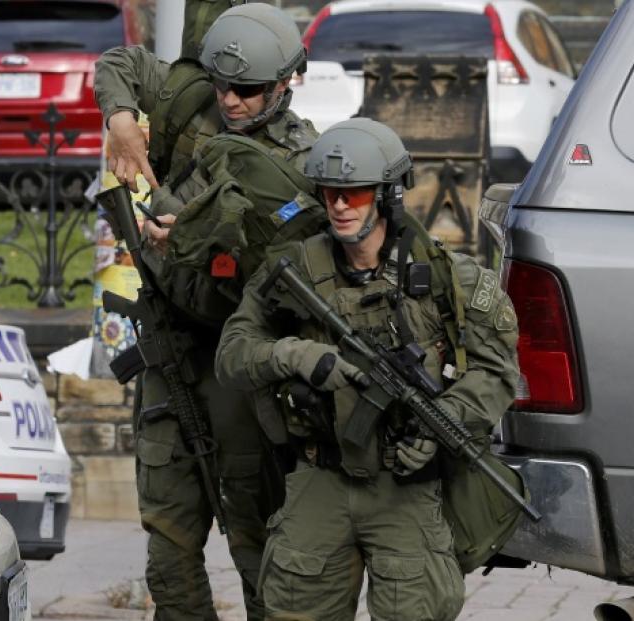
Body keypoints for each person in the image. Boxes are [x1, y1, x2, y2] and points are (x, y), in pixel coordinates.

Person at [216, 118, 521, 621]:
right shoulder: (292, 270)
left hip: (404, 487)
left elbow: (496, 372)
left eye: (354, 193)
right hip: (321, 477)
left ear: (385, 195)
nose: (338, 205)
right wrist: (299, 356)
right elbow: (232, 354)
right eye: (330, 192)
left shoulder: (448, 278)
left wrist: (440, 422)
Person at [93, 4, 325, 620]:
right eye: (223, 86)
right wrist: (120, 120)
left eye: (248, 91)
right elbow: (117, 63)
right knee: (168, 556)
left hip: (241, 368)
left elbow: (293, 272)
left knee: (256, 547)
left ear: (285, 84)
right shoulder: (195, 100)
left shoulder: (300, 165)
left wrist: (202, 242)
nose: (232, 101)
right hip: (171, 351)